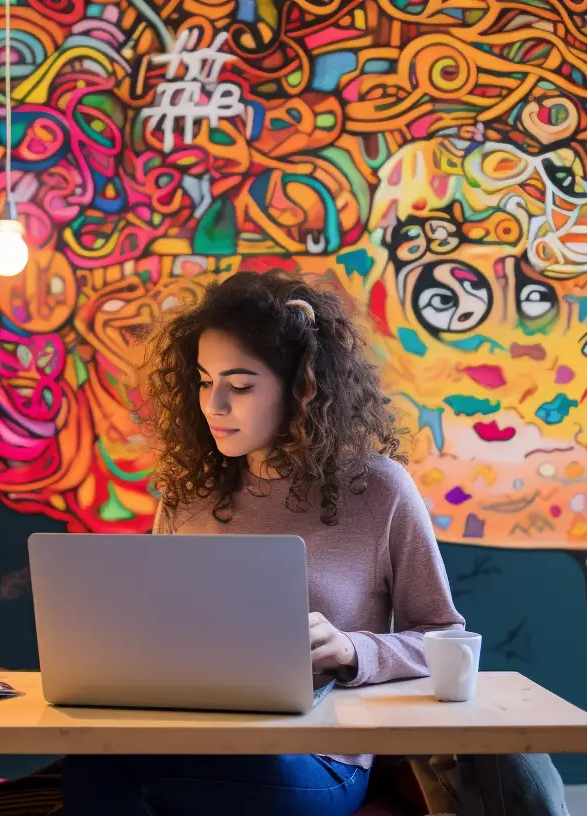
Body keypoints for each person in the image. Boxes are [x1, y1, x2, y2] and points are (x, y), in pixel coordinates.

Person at [59, 268, 466, 816]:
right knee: (95, 758)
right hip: (193, 737)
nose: (214, 404)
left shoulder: (378, 490)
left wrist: (352, 650)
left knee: (152, 778)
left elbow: (445, 635)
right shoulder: (188, 496)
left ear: (302, 390)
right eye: (204, 381)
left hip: (318, 757)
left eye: (241, 385)